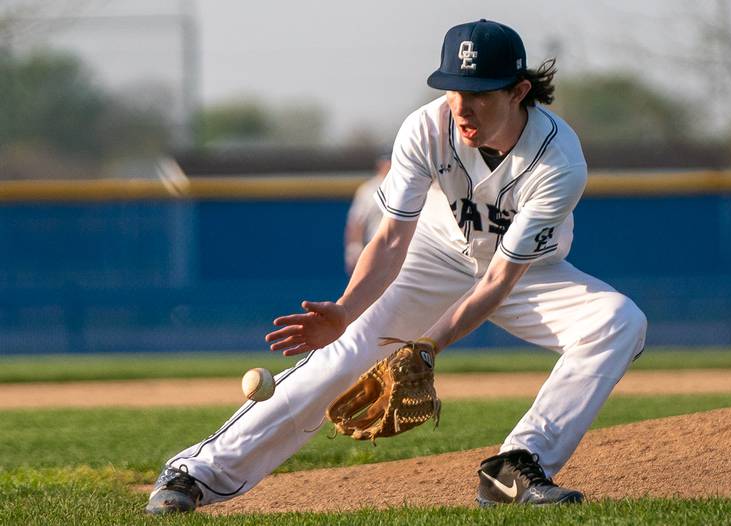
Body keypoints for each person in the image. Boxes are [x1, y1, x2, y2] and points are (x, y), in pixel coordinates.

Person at [145, 19, 647, 514]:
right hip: (432, 257)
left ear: (518, 91)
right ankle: (195, 473)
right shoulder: (427, 127)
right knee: (343, 356)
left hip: (524, 274)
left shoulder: (558, 159)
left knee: (619, 323)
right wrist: (345, 312)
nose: (463, 106)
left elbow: (498, 279)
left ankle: (516, 466)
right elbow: (389, 241)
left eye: (481, 93)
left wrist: (429, 347)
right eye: (453, 89)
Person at [344, 153, 391, 274]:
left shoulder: (409, 185)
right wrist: (353, 248)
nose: (389, 164)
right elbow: (356, 221)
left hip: (404, 247)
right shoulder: (368, 189)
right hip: (375, 247)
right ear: (379, 164)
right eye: (386, 161)